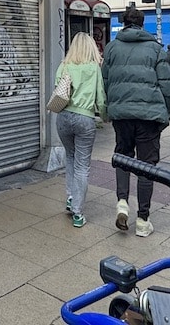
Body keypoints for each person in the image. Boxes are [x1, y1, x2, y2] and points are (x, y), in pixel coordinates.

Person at [101, 6, 170, 238]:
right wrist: (166, 113)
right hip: (149, 115)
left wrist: (110, 110)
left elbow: (105, 82)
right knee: (146, 165)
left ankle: (122, 202)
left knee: (122, 156)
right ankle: (143, 220)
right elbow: (166, 85)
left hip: (122, 114)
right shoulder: (156, 49)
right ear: (143, 24)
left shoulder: (111, 48)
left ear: (123, 22)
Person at [54, 32, 107, 228]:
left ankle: (70, 197)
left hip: (64, 117)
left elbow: (58, 90)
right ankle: (78, 211)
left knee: (70, 157)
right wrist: (104, 115)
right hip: (85, 118)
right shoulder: (94, 68)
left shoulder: (64, 65)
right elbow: (100, 96)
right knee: (82, 165)